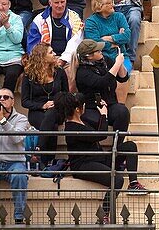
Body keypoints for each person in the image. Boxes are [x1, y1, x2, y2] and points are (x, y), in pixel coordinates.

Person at [54, 90, 144, 221]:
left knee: (130, 146)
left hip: (99, 158)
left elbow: (98, 129)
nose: (84, 107)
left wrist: (103, 110)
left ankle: (134, 183)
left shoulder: (82, 121)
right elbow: (100, 135)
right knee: (117, 180)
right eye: (82, 105)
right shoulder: (72, 127)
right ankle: (104, 214)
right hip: (83, 165)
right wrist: (104, 116)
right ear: (78, 109)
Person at [20, 44, 66, 171]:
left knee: (51, 114)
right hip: (37, 111)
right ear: (42, 57)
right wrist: (42, 105)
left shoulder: (60, 72)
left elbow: (66, 94)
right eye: (51, 52)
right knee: (52, 125)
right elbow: (25, 101)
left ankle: (39, 151)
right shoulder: (29, 75)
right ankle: (48, 161)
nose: (55, 54)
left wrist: (56, 103)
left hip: (57, 110)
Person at [0, 87, 31, 224]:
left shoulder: (21, 118)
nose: (1, 100)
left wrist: (2, 121)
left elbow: (17, 138)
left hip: (14, 163)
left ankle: (18, 218)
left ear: (13, 101)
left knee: (19, 176)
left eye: (5, 97)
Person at [26, 0, 83, 68]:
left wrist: (63, 59)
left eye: (62, 2)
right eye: (56, 2)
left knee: (69, 72)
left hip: (68, 60)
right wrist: (47, 59)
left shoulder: (75, 18)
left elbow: (76, 43)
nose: (60, 5)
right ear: (50, 3)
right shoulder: (39, 20)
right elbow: (33, 46)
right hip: (45, 59)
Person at [0, 0, 22, 92]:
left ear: (9, 4)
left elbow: (17, 39)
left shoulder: (16, 18)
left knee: (12, 74)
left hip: (13, 57)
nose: (0, 7)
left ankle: (7, 99)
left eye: (4, 4)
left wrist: (7, 25)